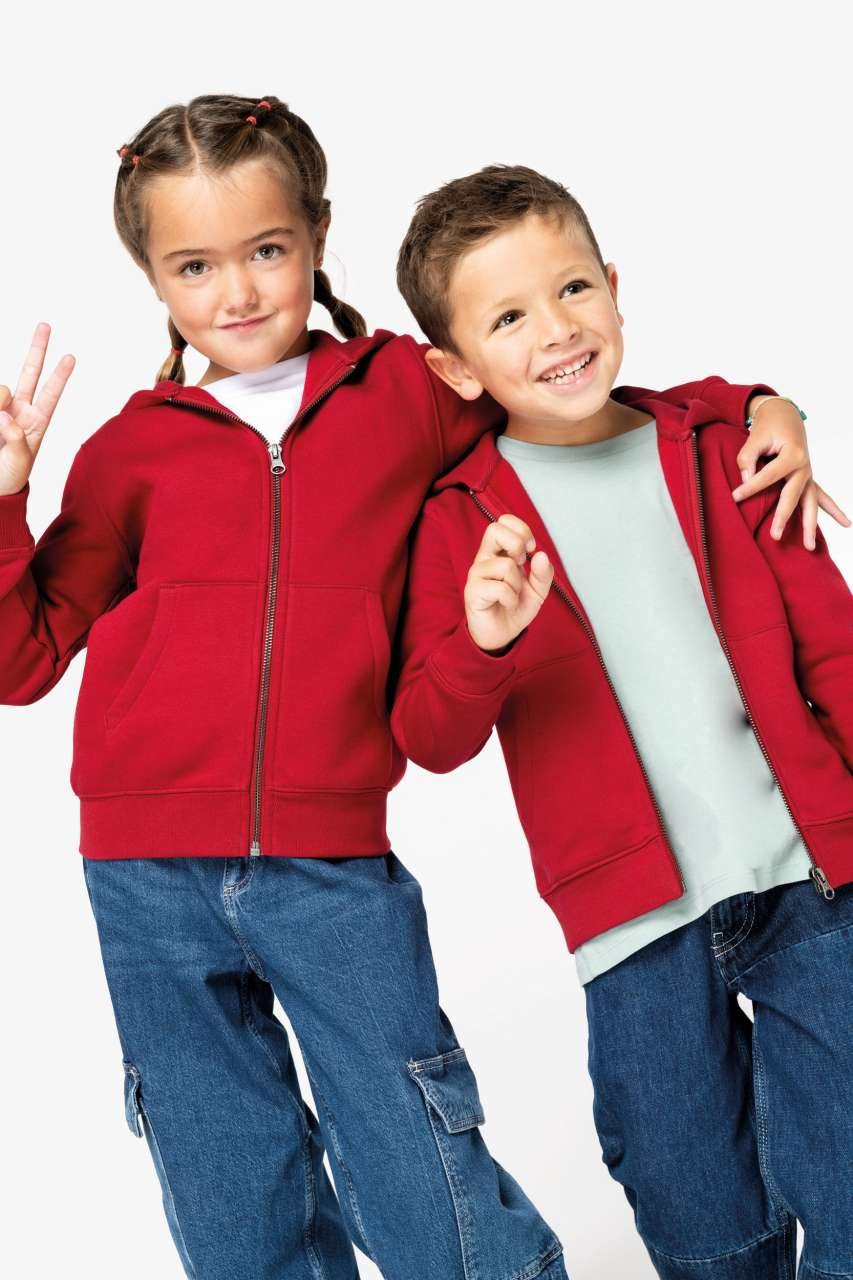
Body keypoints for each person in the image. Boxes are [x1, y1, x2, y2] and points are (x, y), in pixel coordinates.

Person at [0, 97, 572, 1280]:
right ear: (152, 276)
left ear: (317, 233)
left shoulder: (411, 391)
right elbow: (24, 656)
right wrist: (4, 499)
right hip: (144, 874)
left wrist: (752, 407)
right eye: (194, 266)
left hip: (331, 860)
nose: (239, 292)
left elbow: (565, 386)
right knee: (227, 1175)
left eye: (266, 249)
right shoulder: (129, 450)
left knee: (418, 1159)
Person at [391, 164, 853, 1280]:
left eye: (571, 290)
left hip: (808, 876)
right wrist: (484, 642)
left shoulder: (725, 446)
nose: (557, 331)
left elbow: (834, 650)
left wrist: (771, 404)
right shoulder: (460, 520)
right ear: (455, 366)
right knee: (696, 1213)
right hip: (630, 917)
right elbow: (430, 736)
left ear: (612, 284)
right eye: (507, 317)